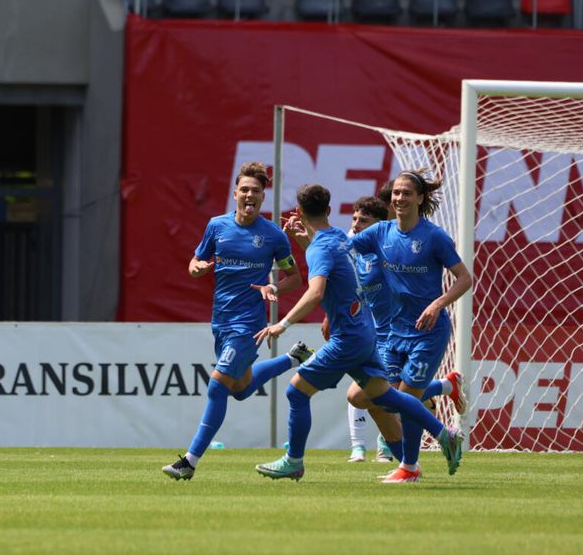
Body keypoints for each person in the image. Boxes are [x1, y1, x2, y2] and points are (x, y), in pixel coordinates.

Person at [252, 183, 463, 482]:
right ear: (329, 211)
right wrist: (306, 242)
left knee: (296, 391)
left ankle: (294, 460)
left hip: (352, 338)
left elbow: (315, 292)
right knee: (383, 397)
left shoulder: (327, 247)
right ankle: (442, 436)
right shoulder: (337, 238)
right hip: (366, 333)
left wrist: (282, 323)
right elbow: (339, 266)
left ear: (299, 212)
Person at [162, 162, 311, 481]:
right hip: (221, 321)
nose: (250, 195)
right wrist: (197, 267)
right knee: (240, 388)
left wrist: (273, 286)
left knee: (217, 386)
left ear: (262, 197)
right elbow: (194, 262)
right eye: (244, 189)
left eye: (256, 191)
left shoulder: (272, 235)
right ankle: (292, 358)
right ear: (235, 193)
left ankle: (189, 461)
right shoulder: (217, 226)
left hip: (248, 324)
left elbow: (295, 278)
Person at [350, 170, 472, 483]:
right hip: (393, 333)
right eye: (396, 193)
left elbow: (464, 278)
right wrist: (308, 237)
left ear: (420, 198)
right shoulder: (380, 232)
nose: (400, 198)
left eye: (407, 193)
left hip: (427, 333)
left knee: (405, 402)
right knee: (370, 396)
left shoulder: (433, 237)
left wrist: (437, 304)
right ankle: (446, 393)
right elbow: (343, 248)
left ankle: (410, 467)